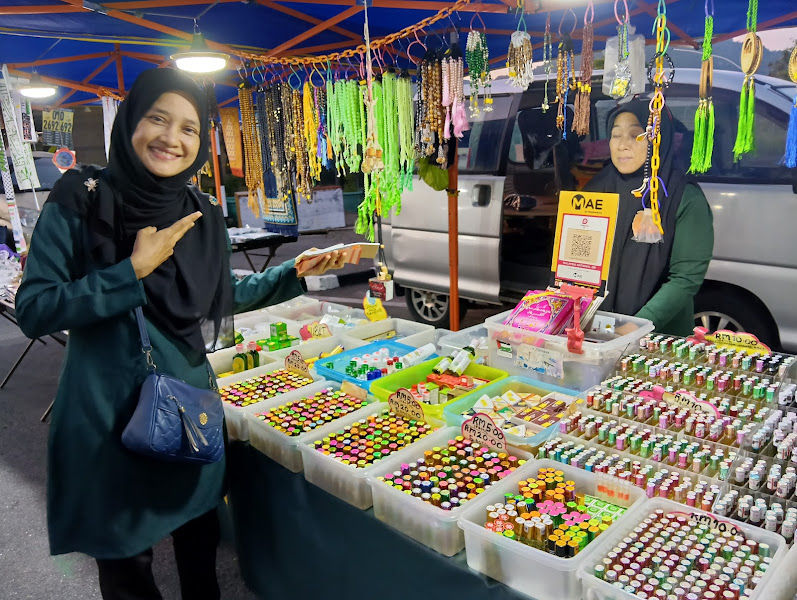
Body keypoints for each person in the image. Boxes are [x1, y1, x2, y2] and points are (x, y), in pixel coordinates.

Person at [14, 68, 343, 600]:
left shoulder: (199, 210)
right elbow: (34, 308)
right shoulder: (80, 197)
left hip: (189, 406)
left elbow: (216, 295)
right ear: (130, 123)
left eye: (190, 128)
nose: (172, 138)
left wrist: (291, 273)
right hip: (106, 417)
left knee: (199, 544)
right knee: (127, 567)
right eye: (158, 119)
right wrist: (131, 272)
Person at [584, 99, 714, 336]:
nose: (622, 145)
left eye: (636, 135)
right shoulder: (595, 189)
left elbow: (685, 279)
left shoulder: (683, 196)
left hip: (658, 337)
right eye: (615, 135)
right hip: (594, 331)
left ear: (658, 138)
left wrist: (635, 327)